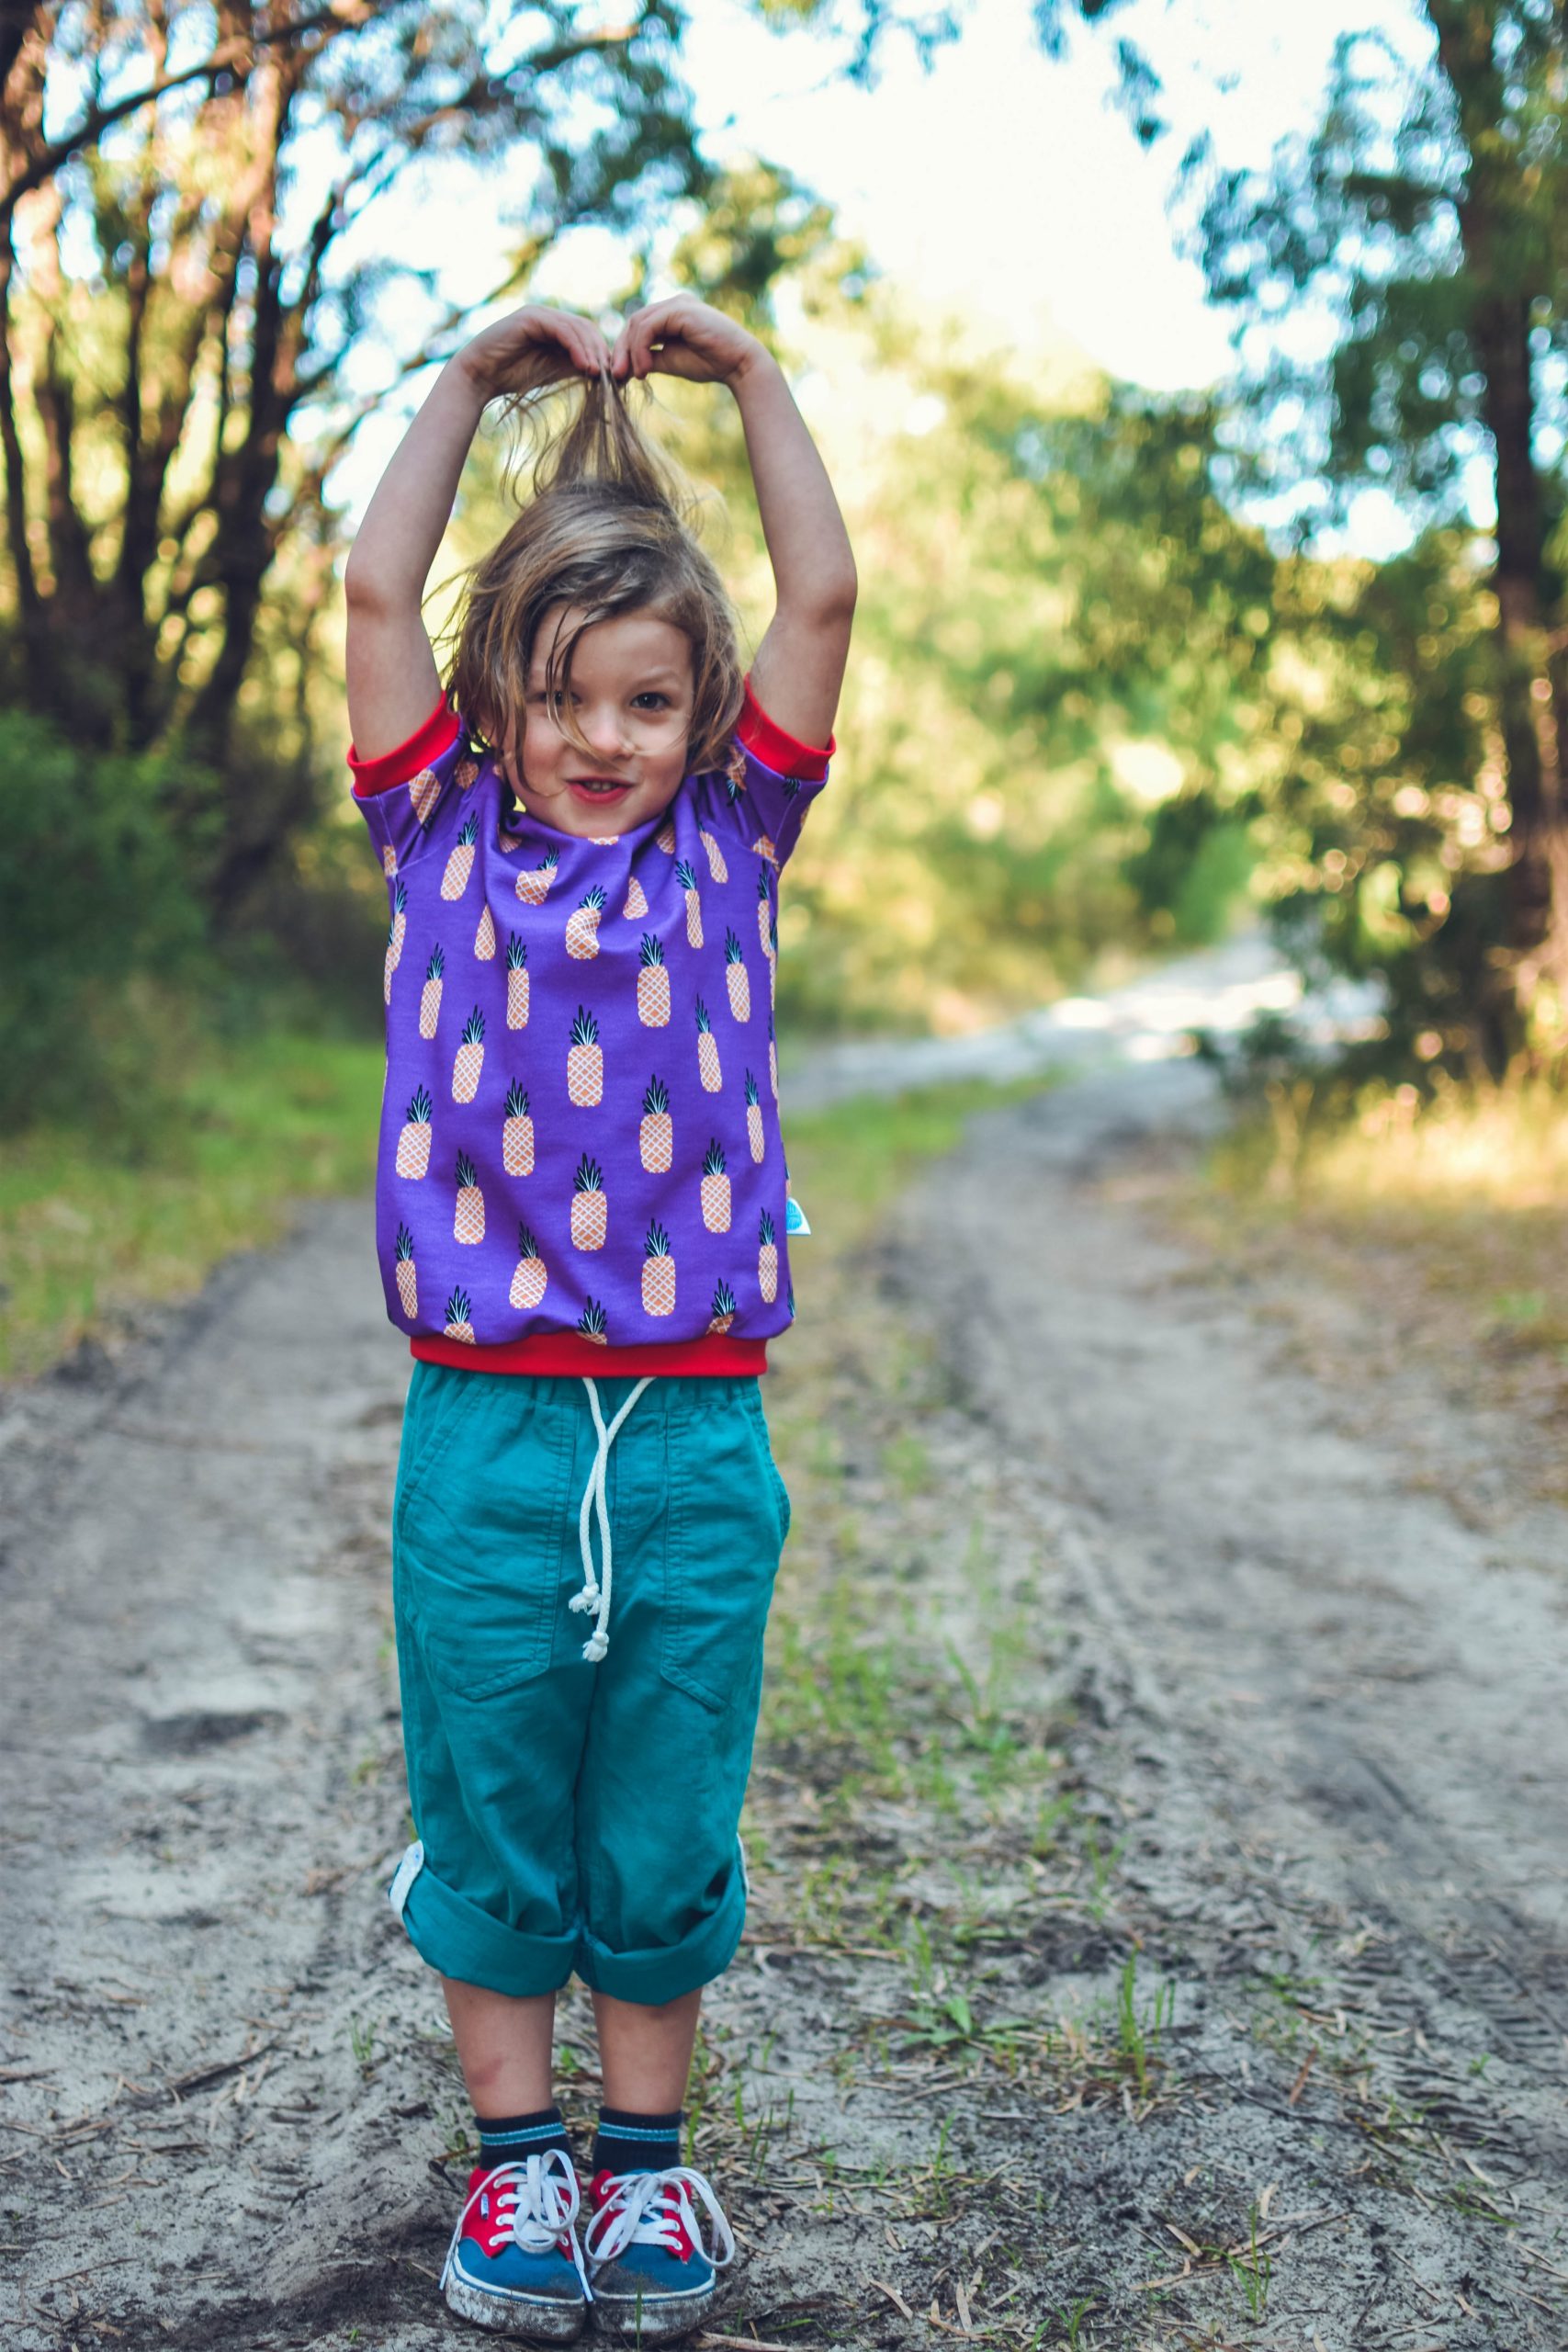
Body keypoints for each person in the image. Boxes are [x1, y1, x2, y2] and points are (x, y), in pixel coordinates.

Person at [343, 294, 855, 2344]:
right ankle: (516, 2158)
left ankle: (640, 2170)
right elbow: (375, 574)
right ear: (492, 700)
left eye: (648, 700)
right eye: (561, 694)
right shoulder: (433, 836)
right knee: (490, 1796)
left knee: (659, 1798)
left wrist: (743, 380)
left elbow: (821, 581)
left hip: (699, 1426)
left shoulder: (736, 845)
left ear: (704, 713)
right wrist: (472, 380)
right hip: (484, 1426)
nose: (602, 736)